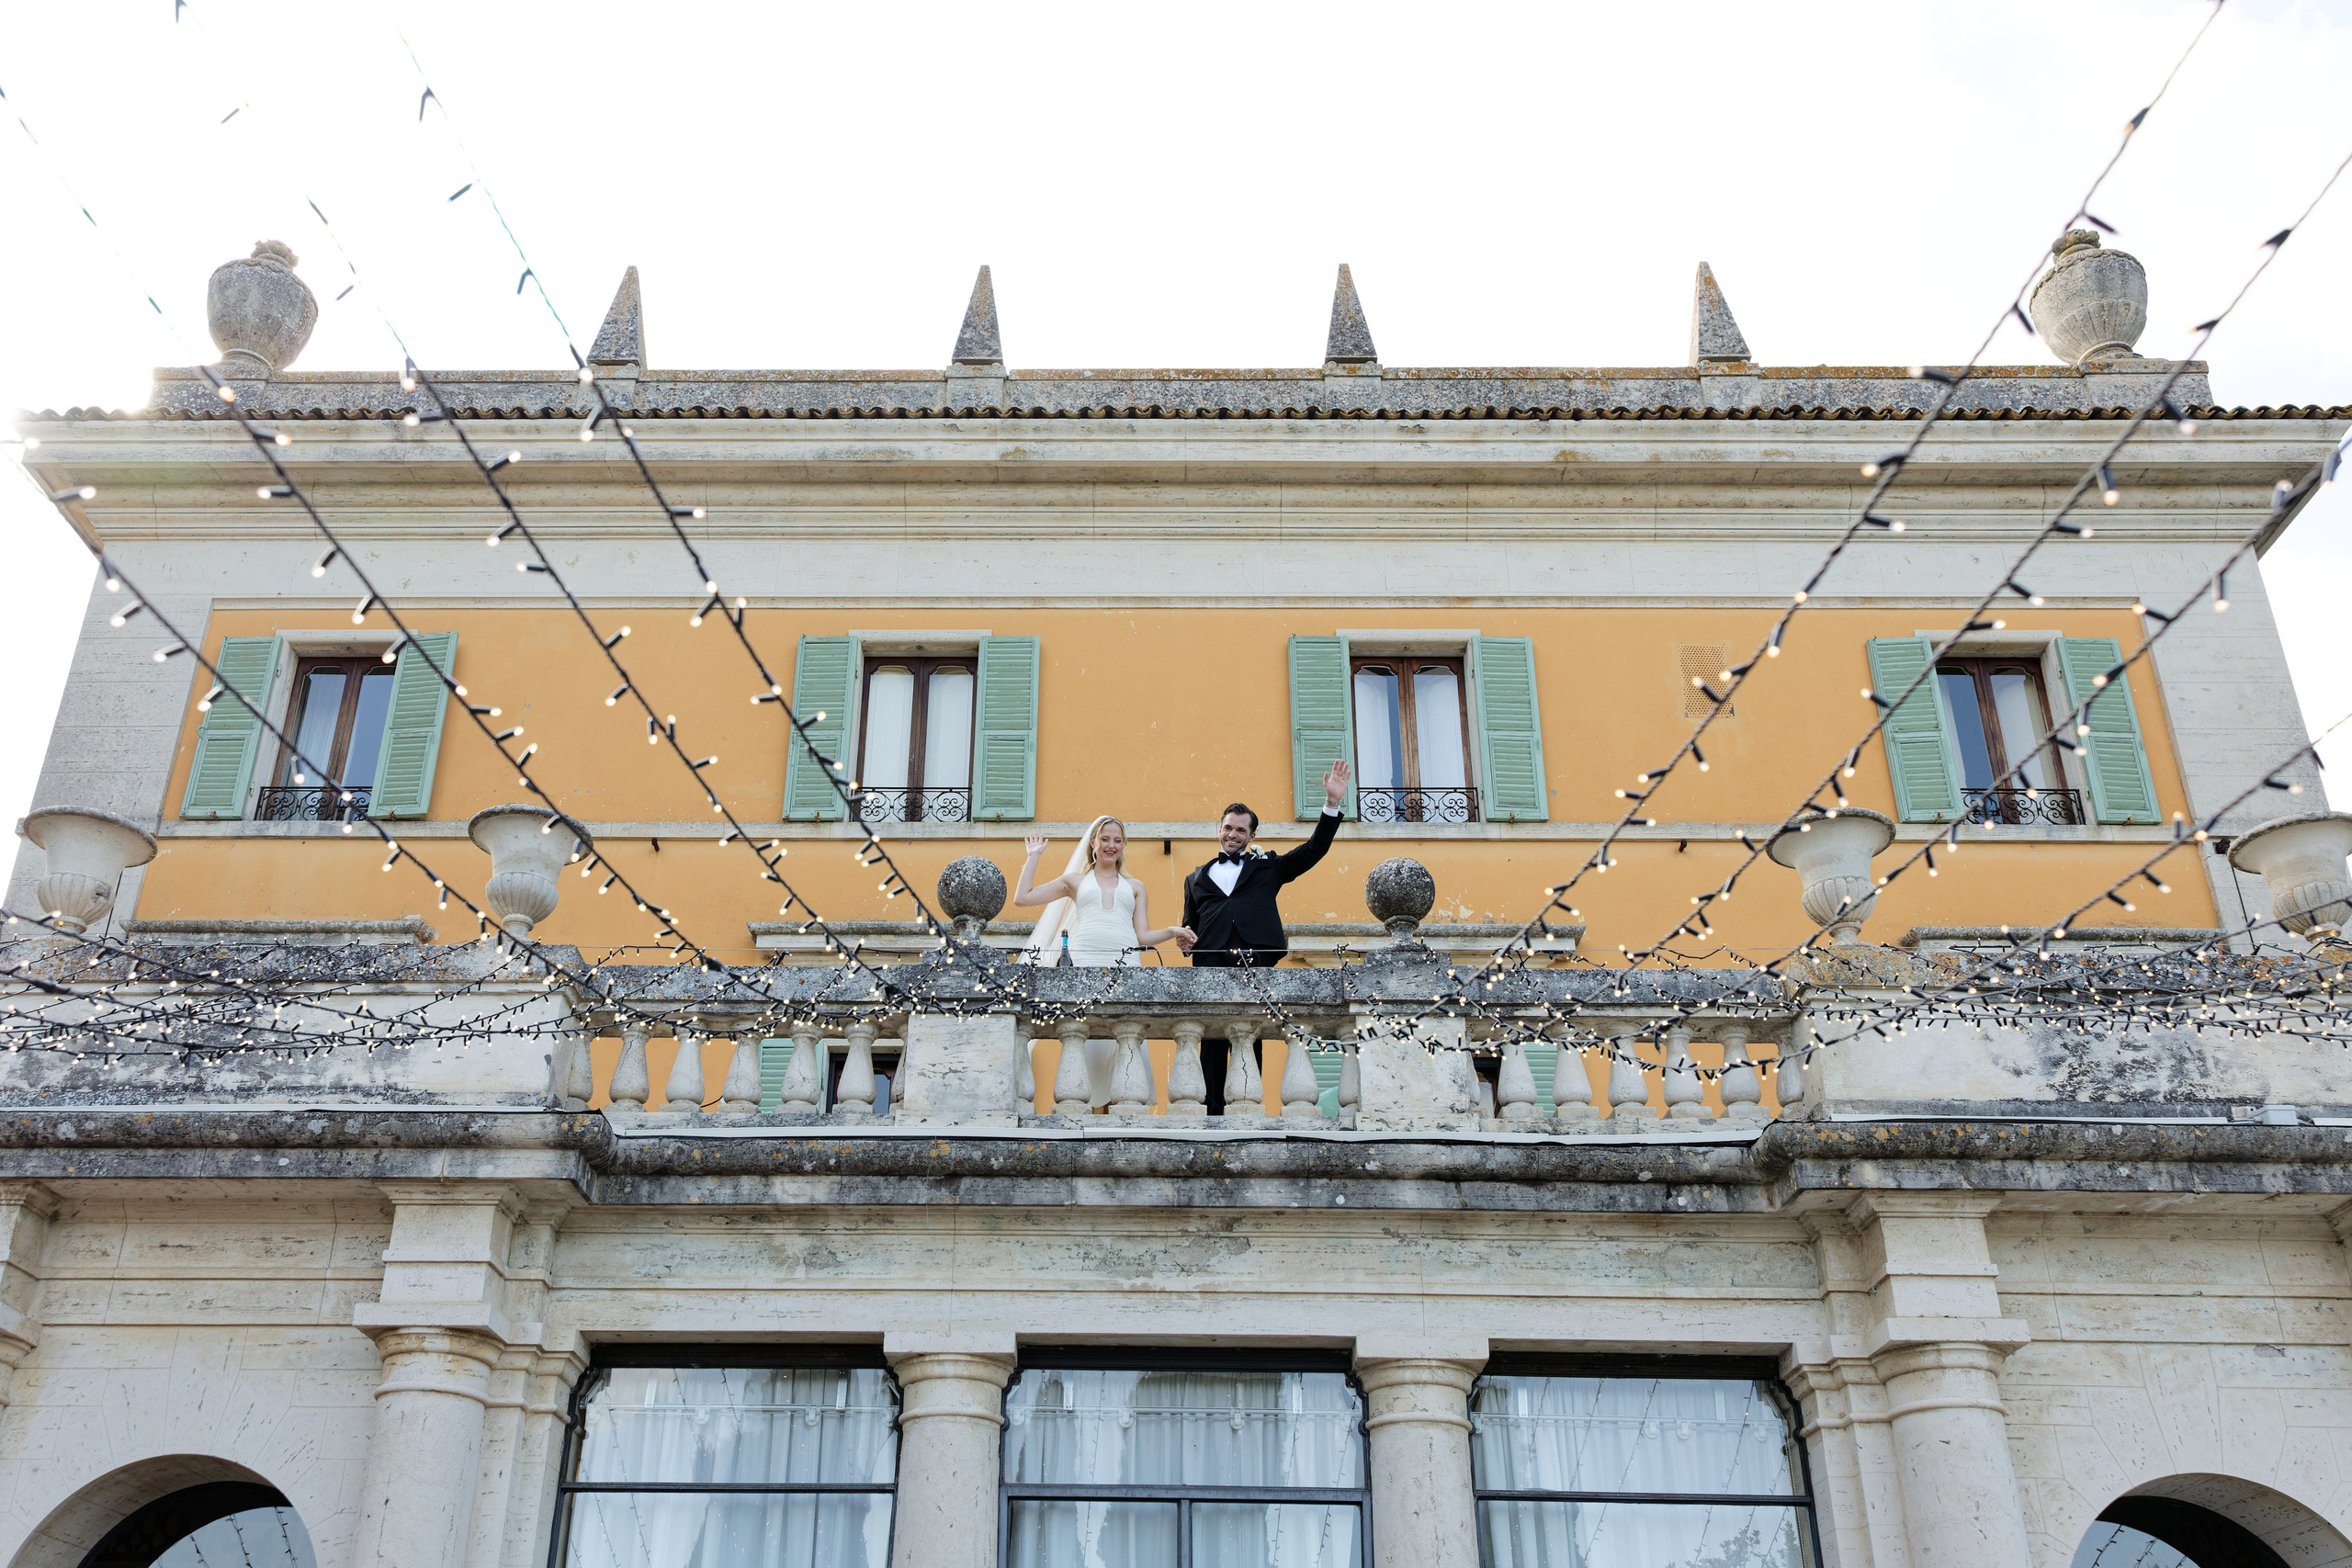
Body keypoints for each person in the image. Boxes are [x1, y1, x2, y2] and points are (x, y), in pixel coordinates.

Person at [1181, 760, 1351, 1111]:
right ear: (1219, 829)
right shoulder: (1195, 877)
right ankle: (1211, 1114)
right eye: (1228, 828)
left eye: (1241, 830)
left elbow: (1314, 850)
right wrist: (1185, 941)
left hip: (1256, 956)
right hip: (1210, 962)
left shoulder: (1268, 867)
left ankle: (1245, 1107)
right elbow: (1189, 926)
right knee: (1211, 1039)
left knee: (1249, 1030)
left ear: (1252, 836)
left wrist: (1331, 804)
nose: (1233, 834)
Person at [1015, 815, 1193, 967]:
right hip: (1084, 960)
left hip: (1127, 961)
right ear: (1093, 842)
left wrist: (1172, 931)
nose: (1111, 846)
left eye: (1117, 841)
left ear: (1123, 845)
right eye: (1105, 839)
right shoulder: (1075, 881)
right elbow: (1023, 898)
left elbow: (1143, 937)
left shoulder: (1136, 887)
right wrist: (1033, 856)